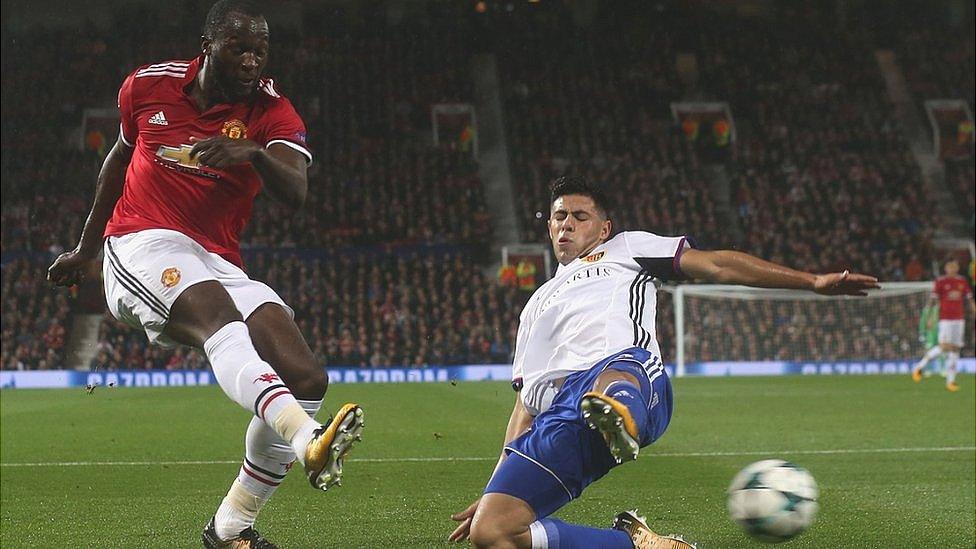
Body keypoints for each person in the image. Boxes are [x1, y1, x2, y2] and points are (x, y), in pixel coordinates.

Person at [46, 2, 364, 547]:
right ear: (209, 45)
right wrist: (84, 249)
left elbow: (296, 191)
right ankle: (308, 436)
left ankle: (230, 527)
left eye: (260, 50)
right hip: (140, 241)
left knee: (306, 376)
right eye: (239, 47)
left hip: (216, 259)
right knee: (222, 322)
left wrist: (254, 154)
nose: (251, 60)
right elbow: (118, 162)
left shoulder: (272, 112)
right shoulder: (147, 87)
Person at [449, 175, 879, 549]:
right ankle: (636, 542)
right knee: (494, 532)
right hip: (559, 418)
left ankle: (619, 414)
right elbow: (524, 407)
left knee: (612, 376)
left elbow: (716, 264)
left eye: (580, 217)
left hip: (628, 375)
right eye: (559, 217)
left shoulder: (626, 248)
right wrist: (494, 488)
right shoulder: (534, 305)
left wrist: (811, 281)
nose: (566, 224)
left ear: (604, 228)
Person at [912, 257, 975, 392]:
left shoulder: (962, 281)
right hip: (945, 319)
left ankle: (950, 382)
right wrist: (928, 317)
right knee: (945, 346)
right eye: (949, 266)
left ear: (957, 268)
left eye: (954, 266)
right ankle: (919, 367)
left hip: (959, 319)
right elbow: (932, 301)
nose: (952, 269)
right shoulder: (941, 282)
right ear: (946, 268)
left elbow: (970, 300)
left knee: (956, 349)